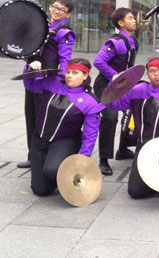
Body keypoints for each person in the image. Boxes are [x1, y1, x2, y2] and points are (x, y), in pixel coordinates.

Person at [108, 57, 159, 199]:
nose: (156, 74)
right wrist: (115, 85)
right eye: (152, 71)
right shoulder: (137, 90)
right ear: (147, 73)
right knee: (135, 192)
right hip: (143, 146)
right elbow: (115, 105)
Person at [23, 58, 104, 196]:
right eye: (68, 72)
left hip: (64, 141)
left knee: (52, 170)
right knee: (40, 190)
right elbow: (30, 85)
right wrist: (29, 68)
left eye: (75, 72)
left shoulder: (91, 102)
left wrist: (81, 161)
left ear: (85, 75)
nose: (69, 75)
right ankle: (51, 174)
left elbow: (90, 135)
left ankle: (60, 168)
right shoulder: (53, 82)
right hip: (39, 139)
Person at [19, 0, 76, 169]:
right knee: (30, 117)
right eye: (55, 7)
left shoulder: (64, 31)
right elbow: (29, 48)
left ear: (68, 14)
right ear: (50, 7)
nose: (57, 11)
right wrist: (29, 61)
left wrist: (65, 78)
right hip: (31, 78)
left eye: (62, 10)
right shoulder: (42, 25)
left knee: (41, 120)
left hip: (48, 81)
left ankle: (40, 156)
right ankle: (32, 155)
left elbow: (66, 59)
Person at [93, 7, 139, 176]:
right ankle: (103, 160)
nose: (134, 20)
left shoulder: (133, 40)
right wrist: (114, 76)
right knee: (110, 118)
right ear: (121, 23)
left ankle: (123, 149)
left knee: (131, 112)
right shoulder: (116, 42)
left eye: (134, 18)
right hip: (105, 85)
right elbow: (98, 62)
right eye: (130, 18)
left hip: (122, 85)